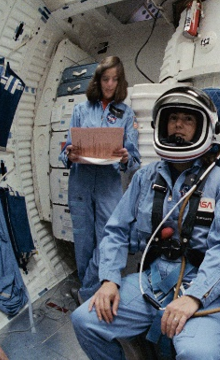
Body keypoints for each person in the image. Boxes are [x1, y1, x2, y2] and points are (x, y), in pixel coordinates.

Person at [70, 87, 220, 359]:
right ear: (161, 124)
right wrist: (109, 279)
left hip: (203, 288)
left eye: (188, 120)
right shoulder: (144, 178)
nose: (178, 125)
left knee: (196, 354)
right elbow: (115, 231)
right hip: (151, 282)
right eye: (173, 118)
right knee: (84, 320)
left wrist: (194, 297)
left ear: (204, 128)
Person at [59, 55, 142, 301]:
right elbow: (64, 151)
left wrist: (126, 156)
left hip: (108, 184)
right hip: (81, 182)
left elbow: (134, 160)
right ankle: (89, 289)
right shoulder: (80, 110)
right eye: (106, 79)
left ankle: (90, 291)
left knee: (108, 238)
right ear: (98, 81)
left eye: (115, 80)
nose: (109, 84)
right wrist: (69, 153)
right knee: (83, 238)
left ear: (121, 83)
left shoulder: (127, 115)